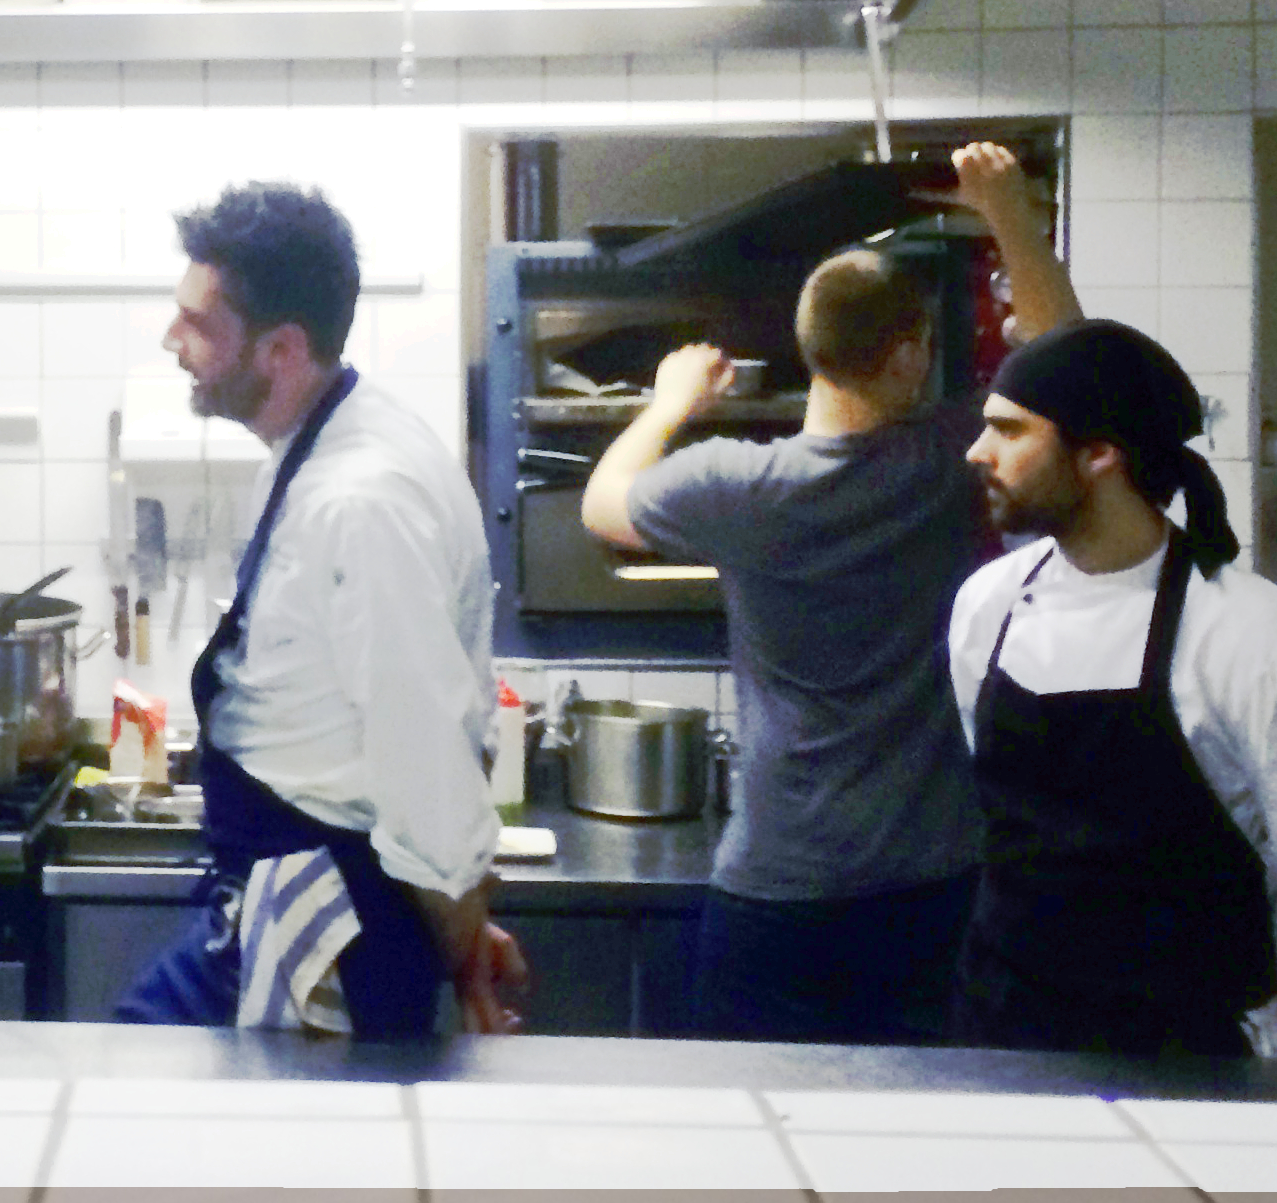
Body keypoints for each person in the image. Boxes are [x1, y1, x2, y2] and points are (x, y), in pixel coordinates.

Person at [579, 142, 1080, 1046]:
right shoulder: (946, 465)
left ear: (811, 353)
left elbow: (602, 505)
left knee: (762, 1124)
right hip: (929, 895)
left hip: (775, 892)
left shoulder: (733, 484)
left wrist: (669, 403)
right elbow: (1067, 375)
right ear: (906, 357)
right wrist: (1008, 212)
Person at [115, 183, 526, 1041]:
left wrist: (458, 948)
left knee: (154, 1082)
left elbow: (423, 758)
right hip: (305, 892)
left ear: (282, 349)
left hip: (323, 916)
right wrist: (447, 921)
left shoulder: (360, 499)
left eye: (197, 323)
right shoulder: (323, 443)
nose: (171, 340)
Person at [950, 318, 1277, 1057]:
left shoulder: (1257, 636)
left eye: (1008, 429)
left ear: (1099, 454)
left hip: (1191, 1051)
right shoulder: (987, 606)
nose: (978, 451)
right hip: (1004, 1030)